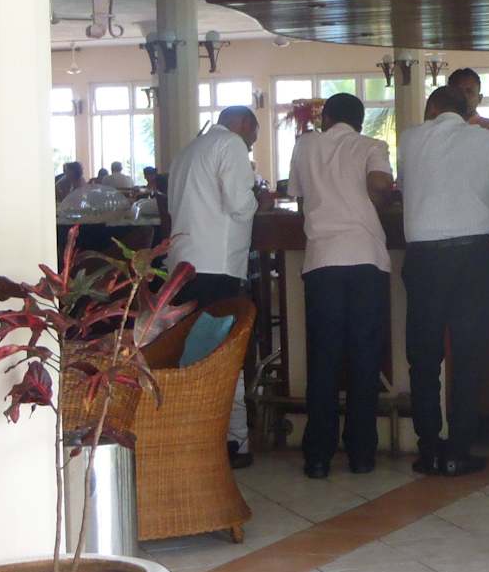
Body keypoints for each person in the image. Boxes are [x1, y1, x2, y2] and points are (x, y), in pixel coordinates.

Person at [399, 85, 489, 476]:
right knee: (468, 354)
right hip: (472, 257)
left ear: (432, 108)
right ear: (466, 111)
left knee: (423, 357)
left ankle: (429, 450)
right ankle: (458, 451)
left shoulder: (409, 140)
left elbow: (406, 187)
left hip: (423, 258)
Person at [288, 93, 393, 479]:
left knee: (323, 359)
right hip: (365, 258)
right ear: (360, 121)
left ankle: (318, 456)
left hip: (322, 260)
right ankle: (361, 453)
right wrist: (373, 201)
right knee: (364, 358)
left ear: (326, 118)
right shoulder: (371, 145)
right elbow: (381, 182)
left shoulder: (305, 145)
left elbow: (297, 195)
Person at [167, 105, 273, 467]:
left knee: (191, 355)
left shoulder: (188, 150)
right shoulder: (230, 144)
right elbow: (239, 204)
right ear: (243, 124)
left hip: (183, 265)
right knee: (224, 353)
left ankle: (195, 438)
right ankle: (233, 441)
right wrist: (260, 199)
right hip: (217, 266)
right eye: (253, 135)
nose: (251, 143)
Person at [447, 68, 489, 152]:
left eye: (469, 91)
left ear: (479, 98)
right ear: (448, 97)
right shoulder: (441, 130)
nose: (464, 96)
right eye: (459, 92)